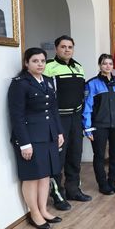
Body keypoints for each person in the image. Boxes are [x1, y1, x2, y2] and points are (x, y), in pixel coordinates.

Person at [8, 47, 64, 229]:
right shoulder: (20, 83)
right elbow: (17, 116)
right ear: (26, 63)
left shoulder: (47, 81)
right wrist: (24, 144)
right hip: (30, 138)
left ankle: (43, 209)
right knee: (32, 177)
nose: (40, 64)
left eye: (42, 61)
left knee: (45, 175)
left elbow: (53, 110)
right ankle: (34, 213)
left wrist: (58, 132)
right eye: (35, 61)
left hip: (48, 135)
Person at [43, 35, 91, 211]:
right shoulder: (49, 67)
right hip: (59, 119)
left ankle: (73, 190)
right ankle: (57, 194)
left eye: (70, 47)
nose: (67, 50)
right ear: (56, 49)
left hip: (75, 118)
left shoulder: (78, 67)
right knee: (58, 158)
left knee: (75, 155)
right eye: (63, 47)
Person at [82, 54, 115, 195]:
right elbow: (87, 107)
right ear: (100, 65)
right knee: (99, 155)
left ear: (113, 66)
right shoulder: (91, 84)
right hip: (99, 126)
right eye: (104, 63)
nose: (107, 66)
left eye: (110, 63)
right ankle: (103, 184)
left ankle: (112, 182)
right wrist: (88, 128)